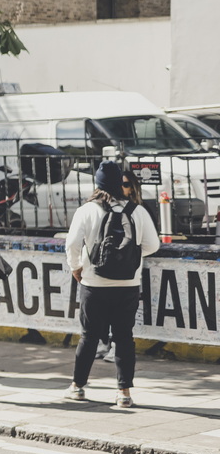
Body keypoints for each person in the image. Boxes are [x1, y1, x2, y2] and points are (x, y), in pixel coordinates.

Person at [65, 160, 161, 408]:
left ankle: (77, 387)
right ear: (120, 183)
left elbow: (73, 244)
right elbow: (153, 245)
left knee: (89, 336)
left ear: (97, 184)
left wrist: (77, 266)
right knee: (124, 338)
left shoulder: (86, 211)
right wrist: (131, 260)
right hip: (128, 285)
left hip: (93, 284)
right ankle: (124, 393)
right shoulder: (137, 211)